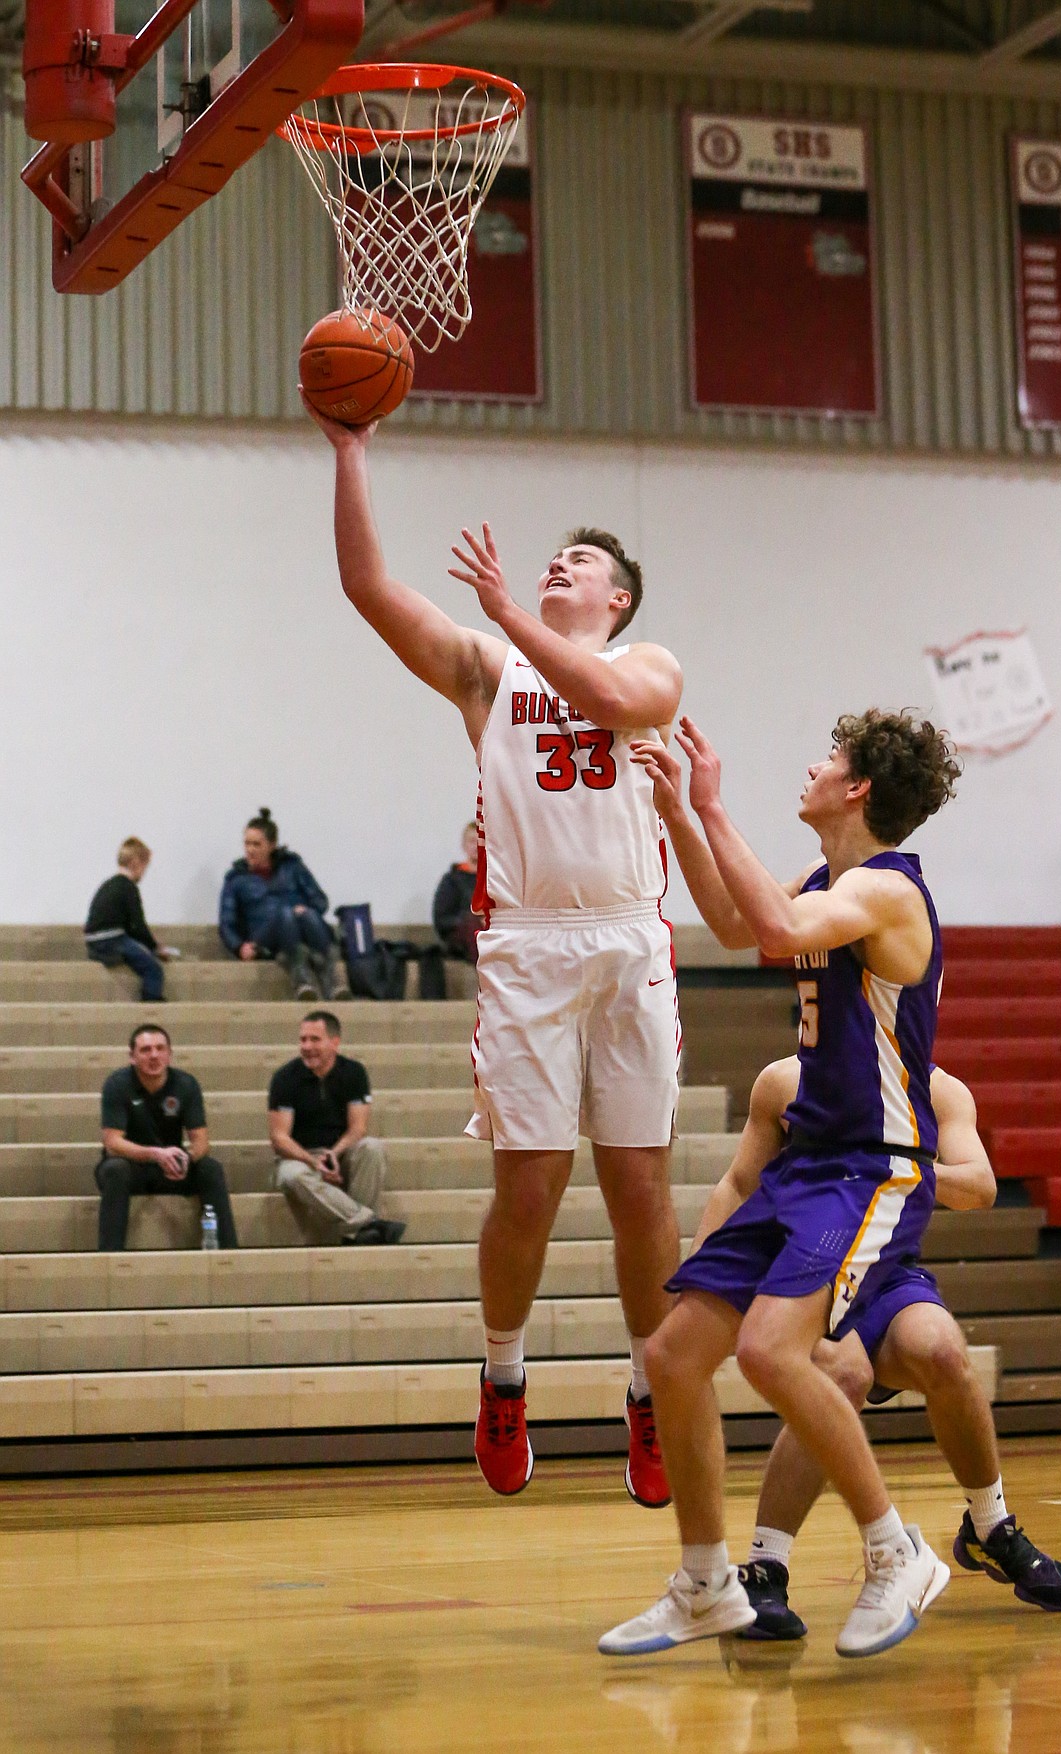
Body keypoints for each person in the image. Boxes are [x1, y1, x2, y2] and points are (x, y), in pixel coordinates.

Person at [306, 396, 684, 1506]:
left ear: (616, 598)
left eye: (584, 563)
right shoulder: (487, 669)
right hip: (527, 943)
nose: (563, 565)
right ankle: (504, 1373)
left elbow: (605, 691)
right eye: (555, 558)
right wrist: (351, 453)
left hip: (628, 939)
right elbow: (369, 589)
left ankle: (650, 1391)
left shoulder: (651, 664)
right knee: (529, 1187)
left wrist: (516, 612)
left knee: (642, 1191)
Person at [600, 708, 960, 1660]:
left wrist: (713, 806)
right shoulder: (828, 883)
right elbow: (734, 922)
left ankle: (897, 1551)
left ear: (859, 790)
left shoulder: (889, 894)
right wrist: (681, 809)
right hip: (808, 1166)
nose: (811, 766)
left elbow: (772, 922)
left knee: (768, 1351)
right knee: (676, 1355)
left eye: (828, 760)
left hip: (870, 1169)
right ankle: (707, 1583)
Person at [698, 1054, 1061, 1642]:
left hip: (886, 1269)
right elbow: (738, 1184)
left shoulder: (938, 1089)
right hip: (810, 1265)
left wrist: (896, 1168)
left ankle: (990, 1527)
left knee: (943, 1352)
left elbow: (980, 1186)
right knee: (842, 1377)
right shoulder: (785, 1082)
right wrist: (700, 1280)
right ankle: (764, 1569)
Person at [95, 1024, 238, 1251]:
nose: (154, 1055)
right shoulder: (117, 1084)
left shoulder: (186, 1084)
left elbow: (201, 1141)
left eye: (160, 1048)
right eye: (145, 1050)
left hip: (171, 1169)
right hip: (133, 1167)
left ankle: (228, 1252)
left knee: (210, 1168)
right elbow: (112, 1143)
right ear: (132, 1057)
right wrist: (156, 1154)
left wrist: (186, 1158)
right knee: (115, 1170)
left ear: (169, 1054)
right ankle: (110, 1255)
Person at [268, 1011, 404, 1246]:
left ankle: (358, 1234)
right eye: (303, 1040)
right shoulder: (285, 1078)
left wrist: (334, 1153)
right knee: (292, 1175)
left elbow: (358, 1128)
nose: (307, 1046)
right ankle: (367, 1225)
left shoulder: (354, 1073)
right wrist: (313, 1161)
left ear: (335, 1042)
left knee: (372, 1148)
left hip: (339, 1154)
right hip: (300, 1157)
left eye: (314, 1039)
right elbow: (279, 1139)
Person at [218, 808, 347, 1000]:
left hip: (303, 929)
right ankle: (302, 977)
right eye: (247, 844)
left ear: (271, 845)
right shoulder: (236, 879)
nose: (250, 850)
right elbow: (227, 922)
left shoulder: (292, 866)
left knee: (306, 914)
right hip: (265, 936)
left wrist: (306, 908)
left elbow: (320, 900)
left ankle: (330, 977)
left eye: (256, 844)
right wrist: (239, 947)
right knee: (286, 913)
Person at [84, 837, 177, 1003]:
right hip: (111, 939)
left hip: (93, 940)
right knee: (153, 968)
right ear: (136, 863)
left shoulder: (108, 885)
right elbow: (137, 926)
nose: (144, 873)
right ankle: (152, 1001)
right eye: (145, 867)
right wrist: (155, 947)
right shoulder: (128, 887)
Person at [433, 822, 481, 965]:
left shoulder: (496, 879)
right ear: (464, 845)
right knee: (473, 924)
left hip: (491, 932)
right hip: (461, 936)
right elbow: (442, 919)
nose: (477, 846)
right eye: (472, 841)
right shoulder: (452, 880)